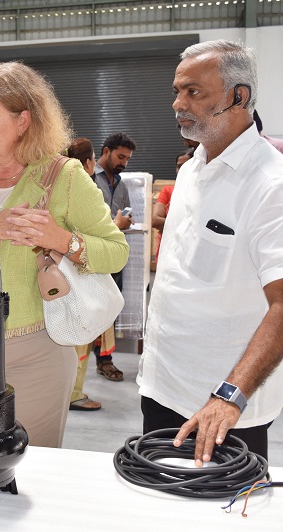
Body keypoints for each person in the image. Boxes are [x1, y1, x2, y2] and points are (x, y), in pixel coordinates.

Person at [0, 62, 129, 447]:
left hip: (40, 352)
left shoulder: (63, 176)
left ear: (23, 120)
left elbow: (116, 252)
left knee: (35, 465)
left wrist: (63, 239)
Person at [138, 40, 283, 464]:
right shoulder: (192, 171)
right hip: (162, 389)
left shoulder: (270, 185)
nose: (178, 103)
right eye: (177, 91)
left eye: (194, 92)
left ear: (239, 96)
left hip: (223, 412)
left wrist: (230, 396)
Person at [90, 132, 137, 382]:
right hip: (91, 255)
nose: (124, 163)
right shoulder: (88, 179)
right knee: (89, 307)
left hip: (114, 255)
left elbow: (124, 216)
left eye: (127, 159)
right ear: (106, 151)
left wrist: (125, 222)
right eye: (120, 156)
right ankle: (82, 362)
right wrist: (114, 223)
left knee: (110, 309)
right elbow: (84, 220)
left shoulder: (122, 184)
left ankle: (104, 359)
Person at [66, 137, 103, 412]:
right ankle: (74, 393)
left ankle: (64, 390)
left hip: (60, 275)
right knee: (82, 337)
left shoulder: (56, 184)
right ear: (89, 163)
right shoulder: (86, 188)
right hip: (82, 273)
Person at [151, 148, 194, 260]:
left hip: (190, 253)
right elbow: (155, 220)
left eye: (185, 165)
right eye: (179, 166)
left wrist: (168, 224)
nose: (181, 170)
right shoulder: (168, 191)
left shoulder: (199, 192)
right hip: (166, 251)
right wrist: (188, 225)